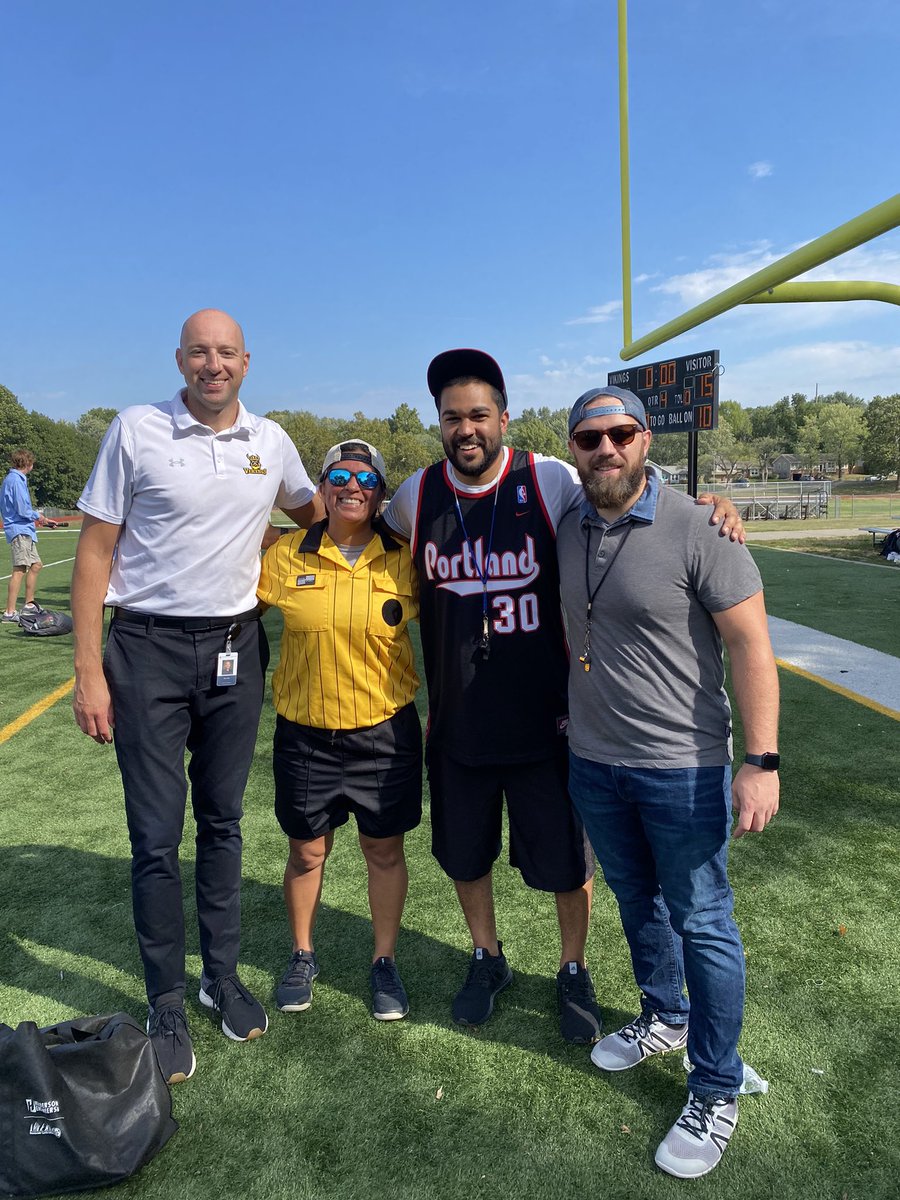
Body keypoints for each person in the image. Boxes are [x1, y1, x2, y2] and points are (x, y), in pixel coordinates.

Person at [383, 349, 743, 1043]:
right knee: (465, 857)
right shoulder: (416, 495)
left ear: (503, 418)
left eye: (479, 415)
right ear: (440, 423)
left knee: (566, 866)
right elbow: (371, 531)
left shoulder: (546, 479)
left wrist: (704, 506)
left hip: (552, 722)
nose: (466, 429)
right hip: (458, 723)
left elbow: (625, 489)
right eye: (452, 417)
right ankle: (486, 956)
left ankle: (573, 968)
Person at [71, 309, 323, 1085]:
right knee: (155, 836)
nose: (213, 366)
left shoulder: (270, 442)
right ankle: (168, 999)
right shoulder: (137, 429)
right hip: (144, 650)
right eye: (199, 353)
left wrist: (267, 544)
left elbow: (318, 518)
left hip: (234, 650)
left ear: (247, 362)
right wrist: (88, 669)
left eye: (226, 354)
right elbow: (95, 548)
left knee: (222, 824)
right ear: (180, 359)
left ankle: (221, 975)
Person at [558, 386, 779, 1179]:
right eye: (590, 438)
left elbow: (752, 646)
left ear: (646, 439)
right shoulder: (569, 519)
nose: (606, 448)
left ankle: (716, 1086)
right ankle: (665, 1015)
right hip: (594, 762)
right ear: (574, 448)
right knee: (636, 901)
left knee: (705, 922)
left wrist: (760, 761)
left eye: (621, 433)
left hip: (684, 770)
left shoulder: (699, 524)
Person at [257, 440, 422, 1022]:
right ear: (322, 488)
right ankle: (302, 953)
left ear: (380, 492)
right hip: (305, 733)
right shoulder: (282, 558)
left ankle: (384, 961)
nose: (353, 486)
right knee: (306, 851)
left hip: (384, 732)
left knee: (383, 848)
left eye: (366, 478)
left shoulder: (407, 558)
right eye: (339, 476)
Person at [2, 450, 44, 623]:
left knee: (36, 565)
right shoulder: (15, 481)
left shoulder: (14, 480)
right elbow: (22, 510)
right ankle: (10, 612)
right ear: (28, 464)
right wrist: (38, 516)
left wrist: (40, 519)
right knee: (19, 570)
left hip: (25, 529)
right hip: (19, 530)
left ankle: (28, 604)